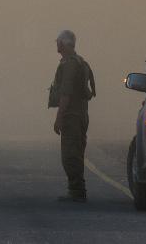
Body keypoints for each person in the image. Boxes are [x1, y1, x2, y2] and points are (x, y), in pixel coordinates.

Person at [50, 29, 96, 202]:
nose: (57, 45)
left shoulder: (70, 64)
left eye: (58, 42)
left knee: (70, 154)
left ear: (64, 44)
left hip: (72, 116)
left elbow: (66, 94)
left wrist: (59, 118)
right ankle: (77, 188)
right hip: (80, 114)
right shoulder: (79, 62)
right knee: (76, 152)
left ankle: (77, 190)